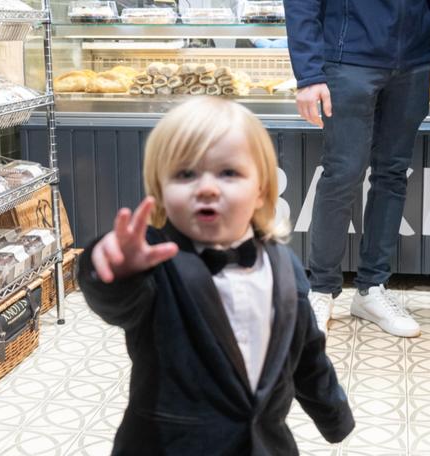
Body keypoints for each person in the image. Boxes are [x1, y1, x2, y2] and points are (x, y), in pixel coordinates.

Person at [77, 97, 354, 455]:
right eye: (185, 174)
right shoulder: (155, 264)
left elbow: (307, 354)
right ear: (161, 191)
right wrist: (112, 268)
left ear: (262, 192)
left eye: (228, 173)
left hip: (265, 445)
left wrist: (334, 414)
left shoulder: (284, 266)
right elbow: (117, 301)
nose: (206, 187)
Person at [285, 0, 430, 338]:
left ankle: (371, 288)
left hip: (413, 61)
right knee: (343, 173)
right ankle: (321, 290)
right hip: (347, 58)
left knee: (392, 174)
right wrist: (308, 73)